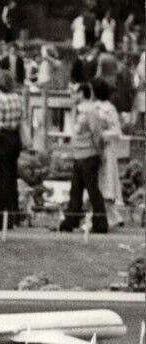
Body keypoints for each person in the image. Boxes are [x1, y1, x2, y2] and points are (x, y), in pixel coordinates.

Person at [58, 83, 108, 235]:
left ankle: (100, 223)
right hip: (79, 155)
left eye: (74, 93)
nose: (72, 96)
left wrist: (99, 153)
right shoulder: (79, 112)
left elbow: (97, 134)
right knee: (75, 190)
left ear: (82, 93)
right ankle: (71, 220)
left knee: (92, 190)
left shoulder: (91, 111)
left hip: (89, 155)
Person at [0, 69, 24, 230]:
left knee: (0, 181)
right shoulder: (17, 98)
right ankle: (14, 217)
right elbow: (22, 119)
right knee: (11, 179)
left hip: (3, 139)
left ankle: (0, 219)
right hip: (15, 138)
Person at [91, 77, 125, 228]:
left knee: (107, 181)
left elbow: (117, 131)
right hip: (93, 148)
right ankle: (112, 215)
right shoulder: (91, 107)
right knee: (97, 181)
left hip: (106, 149)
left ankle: (111, 215)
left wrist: (102, 135)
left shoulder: (109, 109)